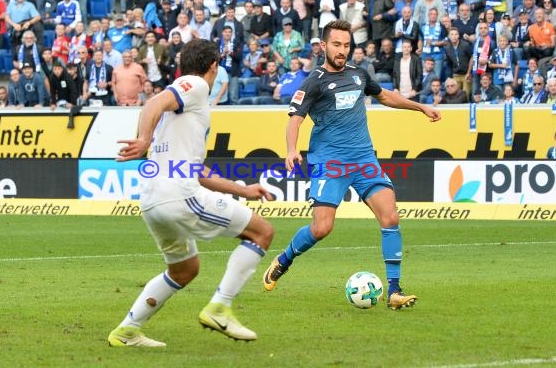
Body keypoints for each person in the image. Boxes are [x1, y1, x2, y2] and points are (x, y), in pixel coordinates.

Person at [262, 20, 441, 310]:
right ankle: (284, 260)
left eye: (346, 45)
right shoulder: (313, 82)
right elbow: (295, 119)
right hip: (330, 163)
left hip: (364, 160)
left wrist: (420, 107)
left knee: (390, 218)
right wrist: (292, 149)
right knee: (322, 228)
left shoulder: (359, 74)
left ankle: (394, 291)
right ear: (323, 46)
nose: (342, 50)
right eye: (336, 44)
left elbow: (385, 96)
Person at [108, 39, 274, 347]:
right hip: (177, 195)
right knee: (262, 232)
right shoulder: (195, 85)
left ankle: (128, 330)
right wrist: (143, 139)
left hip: (152, 200)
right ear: (213, 67)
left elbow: (196, 170)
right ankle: (221, 307)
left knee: (185, 269)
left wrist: (243, 190)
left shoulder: (184, 109)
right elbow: (153, 103)